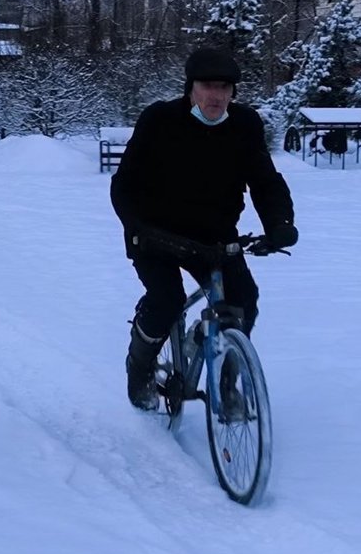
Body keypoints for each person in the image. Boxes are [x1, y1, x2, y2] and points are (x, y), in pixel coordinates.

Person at [111, 47, 298, 410]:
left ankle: (226, 381)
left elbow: (265, 181)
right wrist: (135, 226)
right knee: (166, 301)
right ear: (190, 88)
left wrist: (280, 224)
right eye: (208, 86)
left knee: (242, 299)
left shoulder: (244, 125)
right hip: (155, 233)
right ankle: (140, 366)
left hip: (213, 236)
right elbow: (125, 183)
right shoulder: (160, 120)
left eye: (225, 88)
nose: (217, 96)